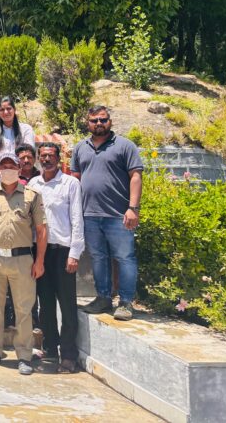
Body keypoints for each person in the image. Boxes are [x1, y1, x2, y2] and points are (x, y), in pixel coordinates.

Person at [0, 152, 47, 375]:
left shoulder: (32, 196)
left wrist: (40, 261)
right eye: (3, 165)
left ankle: (24, 356)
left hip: (22, 260)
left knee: (23, 310)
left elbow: (41, 230)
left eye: (12, 165)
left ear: (19, 169)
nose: (7, 169)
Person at [71, 105, 143, 321]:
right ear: (88, 123)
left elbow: (136, 176)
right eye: (94, 120)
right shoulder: (80, 147)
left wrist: (133, 208)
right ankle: (103, 298)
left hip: (118, 215)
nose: (99, 124)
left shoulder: (125, 146)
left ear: (110, 121)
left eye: (103, 119)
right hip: (89, 215)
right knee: (98, 257)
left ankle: (126, 302)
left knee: (125, 257)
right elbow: (75, 179)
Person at [29, 142, 84, 373]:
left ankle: (69, 355)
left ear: (59, 159)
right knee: (45, 303)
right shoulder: (33, 184)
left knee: (67, 305)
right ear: (38, 158)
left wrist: (75, 253)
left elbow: (77, 219)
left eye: (51, 155)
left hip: (63, 251)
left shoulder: (70, 183)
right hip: (40, 251)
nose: (47, 159)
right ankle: (51, 347)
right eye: (43, 156)